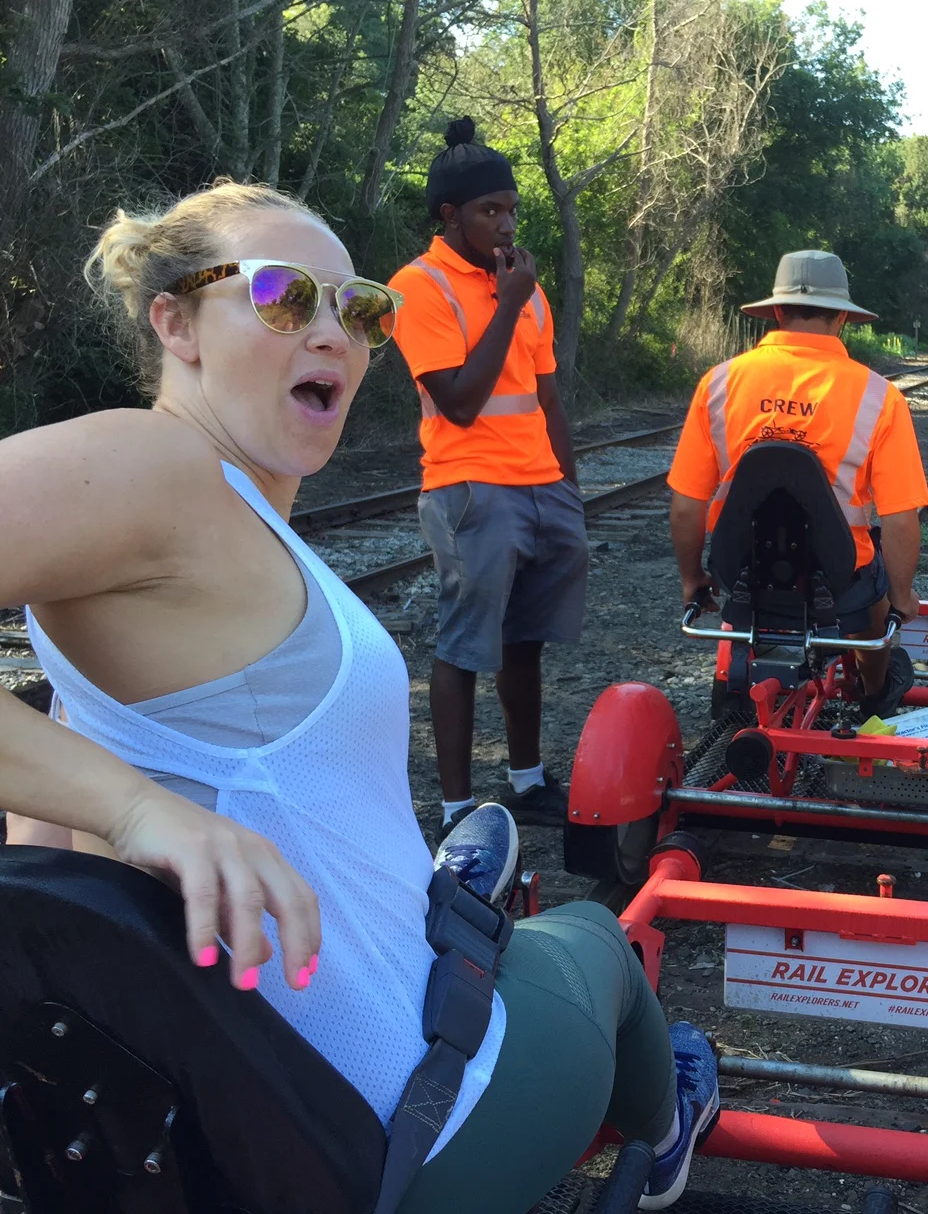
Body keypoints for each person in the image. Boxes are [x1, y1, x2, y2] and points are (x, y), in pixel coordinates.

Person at [0, 180, 716, 1212]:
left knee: (484, 926)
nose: (333, 330)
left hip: (291, 1137)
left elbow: (49, 829)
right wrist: (137, 810)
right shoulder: (154, 461)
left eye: (361, 308)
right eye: (285, 295)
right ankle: (668, 1128)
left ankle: (439, 901)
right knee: (596, 944)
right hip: (426, 1131)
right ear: (175, 322)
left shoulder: (225, 517)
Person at [388, 117, 587, 834]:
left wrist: (567, 487)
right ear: (449, 216)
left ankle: (528, 781)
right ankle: (456, 806)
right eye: (488, 211)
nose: (505, 225)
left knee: (525, 641)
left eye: (510, 209)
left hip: (541, 487)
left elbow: (548, 395)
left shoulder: (524, 284)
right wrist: (506, 303)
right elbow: (461, 401)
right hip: (470, 487)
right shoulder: (418, 286)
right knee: (465, 645)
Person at [667, 250, 928, 717]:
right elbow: (899, 519)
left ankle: (744, 682)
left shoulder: (719, 384)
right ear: (843, 318)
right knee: (877, 595)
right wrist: (900, 597)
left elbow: (688, 505)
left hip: (742, 571)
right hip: (841, 583)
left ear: (775, 310)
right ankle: (874, 694)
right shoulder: (878, 396)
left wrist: (693, 578)